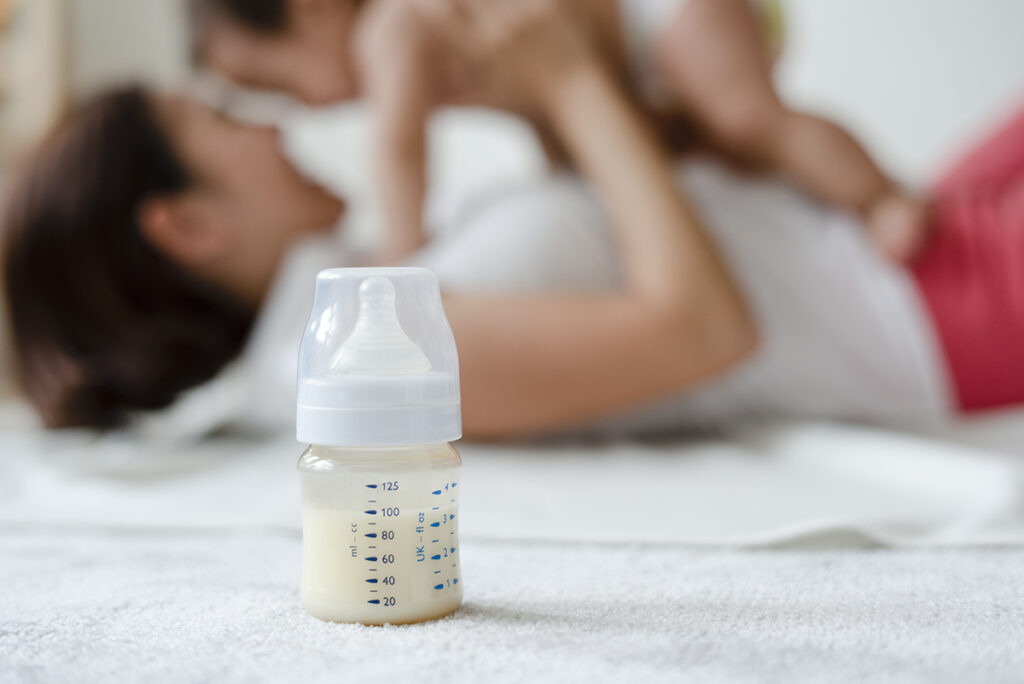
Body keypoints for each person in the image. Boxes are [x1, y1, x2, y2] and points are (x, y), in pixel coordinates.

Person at [2, 1, 1021, 439]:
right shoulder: (354, 359)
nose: (276, 127)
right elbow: (706, 330)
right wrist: (568, 80)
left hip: (882, 244)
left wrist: (551, 88)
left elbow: (632, 213)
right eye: (229, 121)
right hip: (929, 312)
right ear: (188, 226)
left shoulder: (355, 280)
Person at [190, 0, 928, 265]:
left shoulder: (391, 26)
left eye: (281, 85)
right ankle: (830, 213)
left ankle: (881, 196)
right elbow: (538, 105)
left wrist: (402, 255)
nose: (302, 110)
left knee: (747, 118)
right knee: (706, 148)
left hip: (655, 14)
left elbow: (400, 150)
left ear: (314, 8)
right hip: (627, 63)